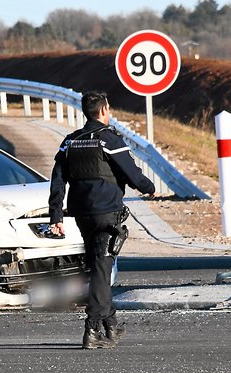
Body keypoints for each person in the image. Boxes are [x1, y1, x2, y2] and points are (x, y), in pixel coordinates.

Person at [48, 90, 156, 349]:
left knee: (98, 267)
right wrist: (149, 187)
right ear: (104, 110)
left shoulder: (70, 142)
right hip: (106, 213)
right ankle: (93, 328)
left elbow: (58, 180)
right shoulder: (109, 140)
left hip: (82, 214)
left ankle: (111, 325)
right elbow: (132, 174)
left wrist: (56, 215)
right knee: (100, 268)